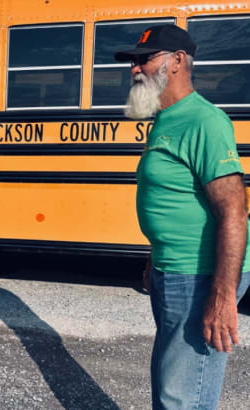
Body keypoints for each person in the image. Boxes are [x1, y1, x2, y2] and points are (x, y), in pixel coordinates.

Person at [115, 25, 250, 409]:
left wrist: (223, 298)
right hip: (171, 271)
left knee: (181, 394)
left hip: (199, 275)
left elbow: (234, 212)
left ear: (176, 62)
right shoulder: (166, 118)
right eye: (133, 61)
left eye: (144, 59)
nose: (135, 69)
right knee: (173, 381)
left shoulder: (204, 121)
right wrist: (155, 257)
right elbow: (178, 200)